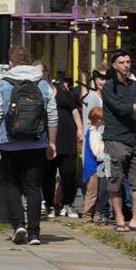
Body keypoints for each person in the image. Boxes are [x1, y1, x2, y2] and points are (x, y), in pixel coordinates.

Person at [0, 45, 58, 246]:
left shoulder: (3, 83)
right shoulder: (42, 83)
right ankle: (34, 233)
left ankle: (18, 224)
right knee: (33, 186)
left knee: (10, 183)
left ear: (10, 63)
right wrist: (51, 142)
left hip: (9, 142)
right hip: (36, 142)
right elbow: (52, 115)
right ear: (29, 60)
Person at [102, 51, 136, 232]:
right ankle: (120, 217)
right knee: (115, 178)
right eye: (121, 62)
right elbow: (122, 109)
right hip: (115, 138)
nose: (125, 65)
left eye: (128, 61)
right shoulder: (108, 87)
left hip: (135, 137)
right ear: (114, 65)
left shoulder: (135, 86)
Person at [47, 72, 83, 218]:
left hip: (66, 137)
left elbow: (74, 109)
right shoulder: (36, 91)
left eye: (42, 71)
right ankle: (50, 205)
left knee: (69, 172)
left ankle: (67, 204)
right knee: (47, 175)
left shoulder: (61, 90)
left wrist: (80, 128)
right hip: (48, 139)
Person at [81, 106, 106, 224]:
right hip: (93, 168)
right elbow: (97, 152)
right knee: (93, 193)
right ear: (98, 120)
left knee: (99, 192)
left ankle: (95, 215)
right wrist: (107, 153)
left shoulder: (93, 132)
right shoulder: (93, 134)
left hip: (97, 167)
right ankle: (87, 215)